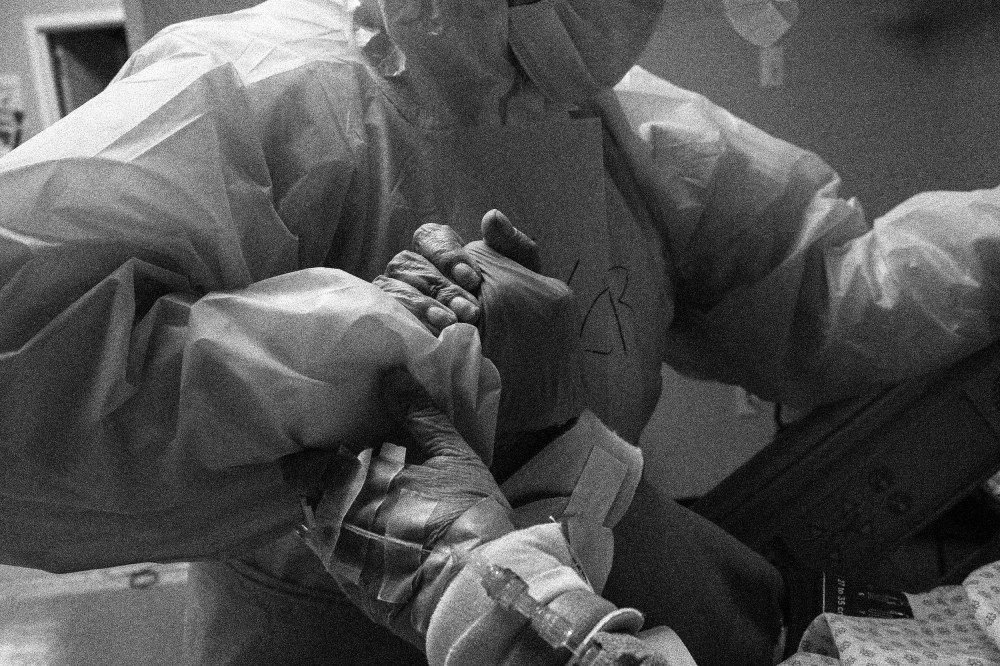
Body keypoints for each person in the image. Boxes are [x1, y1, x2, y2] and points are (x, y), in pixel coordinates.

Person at [2, 0, 1000, 662]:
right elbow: (29, 368)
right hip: (312, 634)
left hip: (586, 591)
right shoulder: (260, 87)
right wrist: (393, 351)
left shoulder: (627, 125)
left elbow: (825, 292)